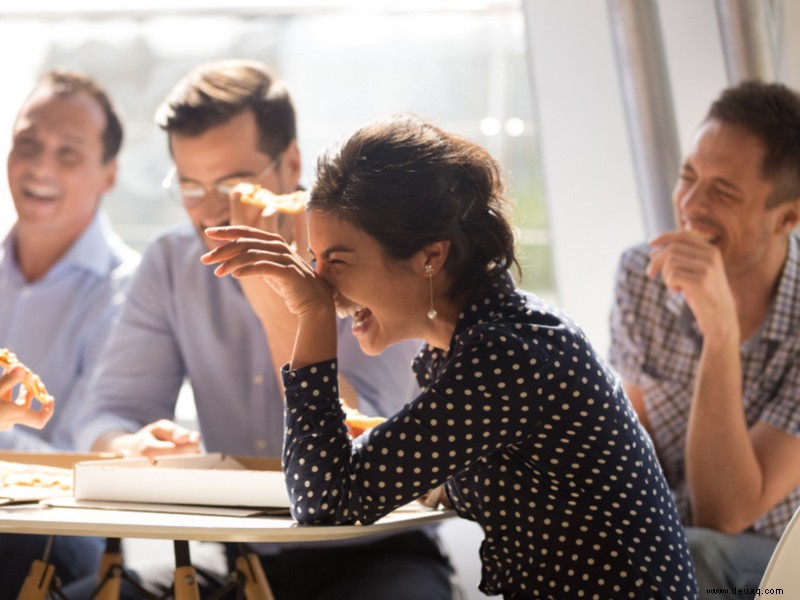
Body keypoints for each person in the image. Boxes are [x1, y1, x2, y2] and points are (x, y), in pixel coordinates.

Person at [203, 113, 699, 600]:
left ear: (430, 257)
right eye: (315, 260)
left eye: (337, 260)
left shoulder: (505, 357)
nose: (321, 284)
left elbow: (325, 502)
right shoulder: (476, 346)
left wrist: (309, 315)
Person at [70, 60, 455, 600]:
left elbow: (366, 446)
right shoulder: (171, 264)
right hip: (237, 550)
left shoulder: (371, 254)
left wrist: (282, 305)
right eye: (190, 186)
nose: (210, 214)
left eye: (232, 184)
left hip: (374, 549)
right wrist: (129, 444)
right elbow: (106, 411)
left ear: (290, 162)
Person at [608, 80, 800, 599]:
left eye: (723, 191)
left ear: (788, 216)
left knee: (692, 553)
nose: (690, 205)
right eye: (688, 177)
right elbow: (634, 441)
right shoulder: (641, 275)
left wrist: (720, 335)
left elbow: (727, 513)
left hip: (780, 557)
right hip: (672, 534)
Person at [0, 70, 140, 597]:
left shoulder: (128, 292)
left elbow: (84, 464)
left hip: (58, 527)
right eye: (27, 144)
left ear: (108, 174)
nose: (39, 166)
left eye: (68, 154)